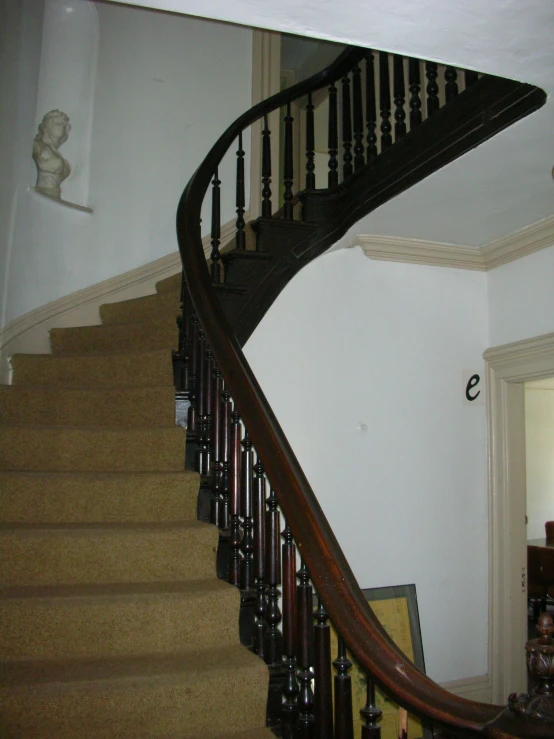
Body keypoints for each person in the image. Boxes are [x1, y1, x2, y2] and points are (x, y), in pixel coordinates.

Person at [32, 109, 71, 199]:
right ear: (47, 126)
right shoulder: (39, 146)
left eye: (64, 124)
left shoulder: (55, 152)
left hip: (56, 197)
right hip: (43, 195)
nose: (62, 127)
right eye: (58, 124)